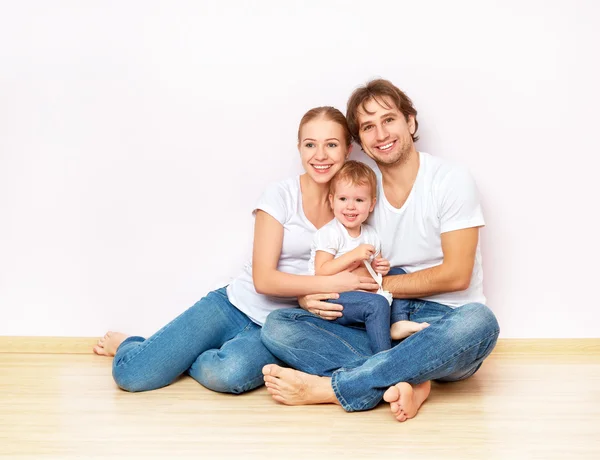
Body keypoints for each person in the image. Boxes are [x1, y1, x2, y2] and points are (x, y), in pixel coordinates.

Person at [92, 106, 378, 394]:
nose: (320, 155)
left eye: (331, 144)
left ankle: (178, 356)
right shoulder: (280, 196)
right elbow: (263, 280)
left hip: (279, 327)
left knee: (228, 374)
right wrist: (330, 284)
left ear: (348, 149)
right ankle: (134, 344)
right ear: (299, 148)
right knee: (132, 374)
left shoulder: (354, 206)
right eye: (310, 144)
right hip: (234, 304)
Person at [261, 79, 500, 422]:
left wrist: (379, 288)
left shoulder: (450, 179)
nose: (381, 133)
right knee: (278, 325)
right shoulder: (358, 188)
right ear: (360, 141)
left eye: (389, 119)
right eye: (368, 126)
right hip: (374, 322)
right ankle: (413, 380)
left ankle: (335, 388)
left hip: (443, 323)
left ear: (410, 122)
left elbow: (457, 274)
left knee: (480, 323)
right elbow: (329, 256)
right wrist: (310, 295)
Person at [310, 160, 429, 353]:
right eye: (343, 199)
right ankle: (384, 357)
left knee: (399, 273)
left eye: (359, 200)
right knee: (378, 304)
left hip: (362, 290)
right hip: (333, 298)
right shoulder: (330, 233)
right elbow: (321, 271)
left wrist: (380, 266)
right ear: (331, 201)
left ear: (371, 204)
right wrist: (353, 255)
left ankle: (399, 322)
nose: (350, 207)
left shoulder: (371, 234)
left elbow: (374, 269)